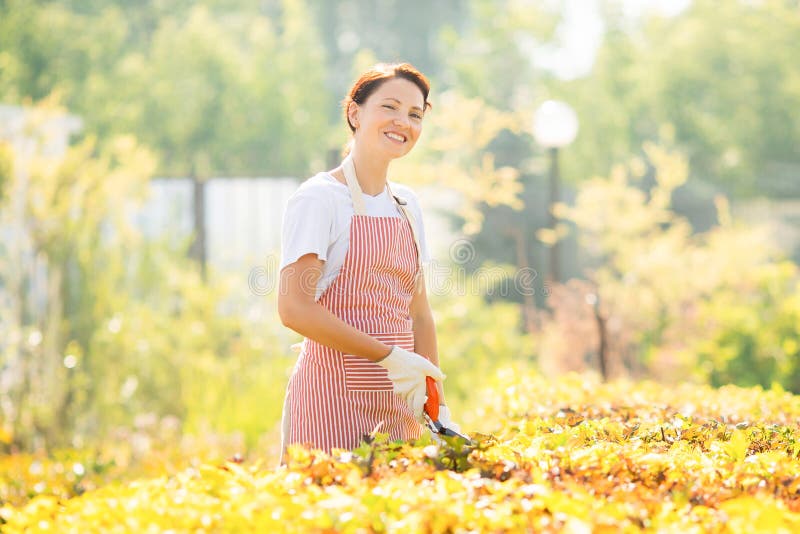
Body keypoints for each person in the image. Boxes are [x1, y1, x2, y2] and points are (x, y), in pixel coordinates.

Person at [278, 62, 460, 458]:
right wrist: (389, 356)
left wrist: (437, 405)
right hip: (332, 402)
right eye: (390, 107)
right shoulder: (319, 198)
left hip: (401, 406)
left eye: (415, 114)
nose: (403, 122)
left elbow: (419, 315)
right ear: (355, 113)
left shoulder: (407, 205)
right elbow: (294, 309)